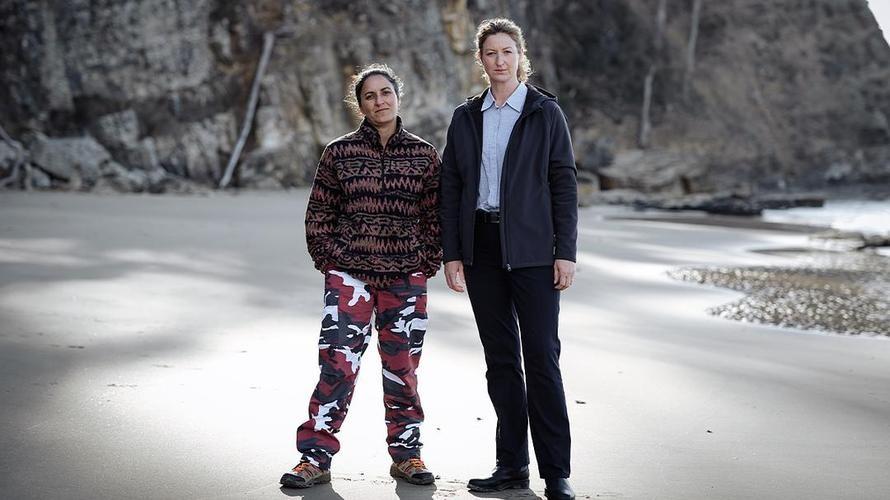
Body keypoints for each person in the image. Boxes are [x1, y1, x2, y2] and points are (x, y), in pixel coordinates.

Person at [280, 64, 442, 489]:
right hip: (350, 277)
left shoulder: (425, 155)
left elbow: (436, 217)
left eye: (386, 92)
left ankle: (407, 455)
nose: (379, 101)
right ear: (360, 104)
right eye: (370, 96)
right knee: (336, 364)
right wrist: (330, 260)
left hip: (405, 279)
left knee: (402, 369)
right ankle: (314, 458)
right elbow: (319, 214)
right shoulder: (339, 152)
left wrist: (426, 261)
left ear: (397, 96)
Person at [440, 18, 578, 500]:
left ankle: (556, 472)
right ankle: (511, 465)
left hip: (534, 252)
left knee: (541, 358)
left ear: (521, 56)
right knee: (500, 361)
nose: (499, 60)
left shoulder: (545, 113)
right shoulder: (466, 117)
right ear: (480, 60)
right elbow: (451, 186)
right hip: (481, 249)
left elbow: (563, 184)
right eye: (491, 53)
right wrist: (452, 254)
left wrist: (566, 253)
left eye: (507, 51)